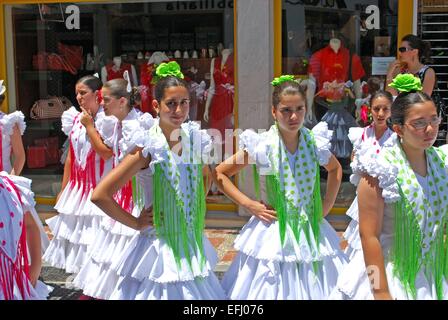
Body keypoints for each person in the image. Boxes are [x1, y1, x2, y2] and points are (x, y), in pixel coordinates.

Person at [89, 61, 226, 300]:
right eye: (170, 104)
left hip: (189, 241)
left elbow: (205, 175)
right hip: (159, 248)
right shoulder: (147, 147)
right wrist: (136, 222)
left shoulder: (194, 139)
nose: (178, 111)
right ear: (156, 105)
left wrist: (192, 209)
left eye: (184, 103)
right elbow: (100, 195)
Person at [215, 75, 347, 299]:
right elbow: (220, 173)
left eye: (300, 109)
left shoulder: (315, 142)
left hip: (310, 227)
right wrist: (249, 204)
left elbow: (335, 170)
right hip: (273, 229)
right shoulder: (263, 144)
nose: (294, 116)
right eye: (286, 110)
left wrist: (326, 206)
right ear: (274, 112)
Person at [347, 74, 448, 299]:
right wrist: (380, 291)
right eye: (419, 123)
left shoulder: (443, 162)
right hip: (390, 275)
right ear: (399, 128)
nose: (430, 129)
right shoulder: (379, 168)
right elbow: (368, 236)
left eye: (434, 119)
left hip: (434, 274)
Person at [73, 76, 156, 299]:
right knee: (112, 245)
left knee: (126, 245)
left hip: (133, 194)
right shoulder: (119, 123)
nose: (102, 103)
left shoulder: (136, 127)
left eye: (106, 99)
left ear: (122, 101)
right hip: (122, 191)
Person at [43, 75, 117, 274]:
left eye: (83, 93)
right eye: (77, 93)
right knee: (81, 239)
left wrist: (89, 126)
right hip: (79, 191)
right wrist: (64, 189)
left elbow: (106, 152)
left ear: (97, 94)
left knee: (98, 239)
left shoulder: (107, 120)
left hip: (100, 190)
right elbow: (70, 159)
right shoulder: (74, 119)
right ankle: (86, 282)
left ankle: (99, 282)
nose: (78, 97)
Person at [330, 91, 396, 299]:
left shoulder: (396, 138)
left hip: (386, 201)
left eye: (385, 108)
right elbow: (353, 162)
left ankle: (378, 284)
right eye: (376, 108)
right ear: (370, 110)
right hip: (365, 200)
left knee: (380, 241)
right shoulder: (359, 135)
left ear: (391, 110)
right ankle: (362, 284)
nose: (380, 113)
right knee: (362, 242)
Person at [306, 34, 365, 159]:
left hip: (345, 105)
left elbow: (357, 83)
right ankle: (326, 165)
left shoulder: (351, 58)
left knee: (344, 136)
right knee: (324, 136)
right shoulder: (318, 57)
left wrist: (359, 105)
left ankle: (343, 164)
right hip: (323, 105)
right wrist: (308, 106)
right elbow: (311, 84)